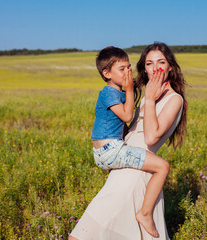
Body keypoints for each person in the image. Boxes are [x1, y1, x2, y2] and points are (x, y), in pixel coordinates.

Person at [69, 42, 187, 240]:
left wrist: (149, 99)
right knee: (90, 230)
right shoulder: (149, 95)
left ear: (170, 67)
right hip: (125, 162)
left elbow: (150, 137)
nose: (155, 68)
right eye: (149, 63)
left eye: (161, 62)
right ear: (144, 68)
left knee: (88, 231)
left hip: (136, 173)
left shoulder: (174, 99)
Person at [90, 46, 171, 237]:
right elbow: (127, 115)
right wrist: (128, 89)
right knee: (162, 166)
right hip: (110, 150)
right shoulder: (109, 92)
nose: (128, 72)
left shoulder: (117, 91)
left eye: (129, 67)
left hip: (109, 150)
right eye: (122, 69)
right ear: (106, 73)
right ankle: (145, 214)